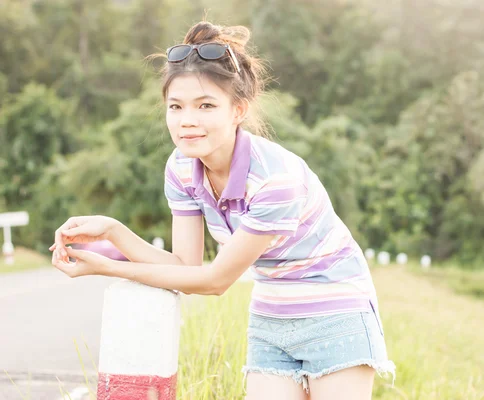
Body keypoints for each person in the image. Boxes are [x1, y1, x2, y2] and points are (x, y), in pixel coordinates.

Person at [49, 21, 396, 400]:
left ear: (238, 110)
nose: (187, 121)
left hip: (335, 312)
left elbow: (214, 282)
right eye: (175, 106)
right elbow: (184, 266)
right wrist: (114, 231)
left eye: (206, 106)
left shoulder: (275, 180)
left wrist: (104, 267)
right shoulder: (181, 168)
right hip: (271, 317)